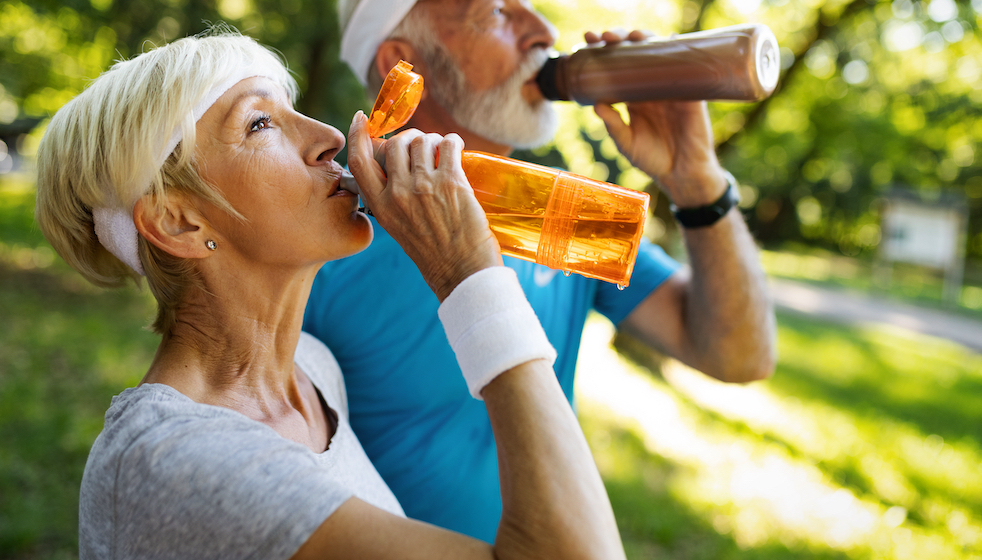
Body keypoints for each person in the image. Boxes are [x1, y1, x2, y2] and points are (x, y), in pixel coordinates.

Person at [34, 31, 628, 559]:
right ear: (179, 223)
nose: (326, 137)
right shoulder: (175, 464)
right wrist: (469, 276)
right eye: (259, 123)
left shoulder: (315, 373)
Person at [304, 0, 779, 541]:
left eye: (531, 6)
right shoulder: (317, 229)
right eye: (499, 12)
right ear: (404, 62)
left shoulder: (564, 212)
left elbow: (737, 355)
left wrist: (698, 184)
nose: (546, 33)